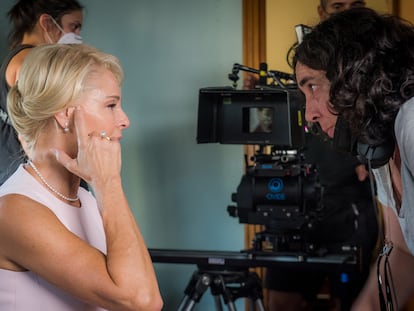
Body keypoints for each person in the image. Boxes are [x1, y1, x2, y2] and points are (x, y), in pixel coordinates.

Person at [0, 43, 163, 311]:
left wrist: (105, 185)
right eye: (111, 105)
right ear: (66, 114)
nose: (125, 120)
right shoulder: (14, 211)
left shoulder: (87, 198)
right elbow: (143, 301)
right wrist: (108, 182)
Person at [293, 7, 414, 310]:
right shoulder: (378, 145)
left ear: (354, 74)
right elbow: (402, 252)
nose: (309, 114)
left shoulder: (411, 122)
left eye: (313, 86)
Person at [263, 2, 379, 310]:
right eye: (338, 5)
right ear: (321, 10)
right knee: (280, 302)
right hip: (297, 201)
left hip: (350, 207)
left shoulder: (378, 71)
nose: (314, 111)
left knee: (351, 299)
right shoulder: (301, 67)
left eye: (353, 5)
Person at [0, 0, 84, 185]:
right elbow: (44, 121)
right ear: (46, 23)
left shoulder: (20, 58)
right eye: (74, 27)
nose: (77, 36)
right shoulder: (29, 62)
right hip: (36, 173)